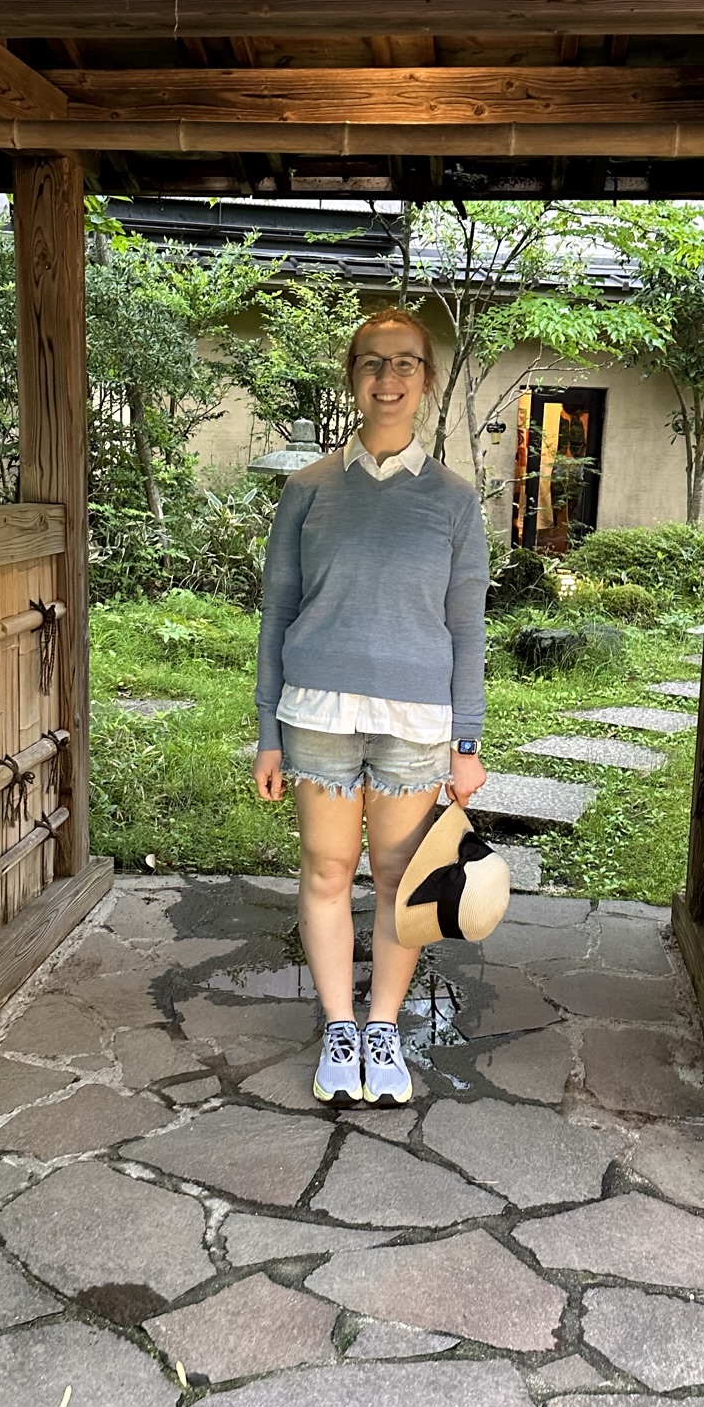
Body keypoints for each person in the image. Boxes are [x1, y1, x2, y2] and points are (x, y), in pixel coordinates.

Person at [253, 306, 489, 1106]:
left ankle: (381, 1025)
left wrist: (467, 742)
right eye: (372, 362)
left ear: (427, 379)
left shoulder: (454, 500)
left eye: (405, 363)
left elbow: (467, 627)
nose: (388, 378)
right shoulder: (308, 489)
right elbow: (278, 614)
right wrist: (267, 732)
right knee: (326, 870)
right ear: (352, 376)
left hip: (416, 724)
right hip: (316, 714)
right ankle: (338, 1027)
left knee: (397, 877)